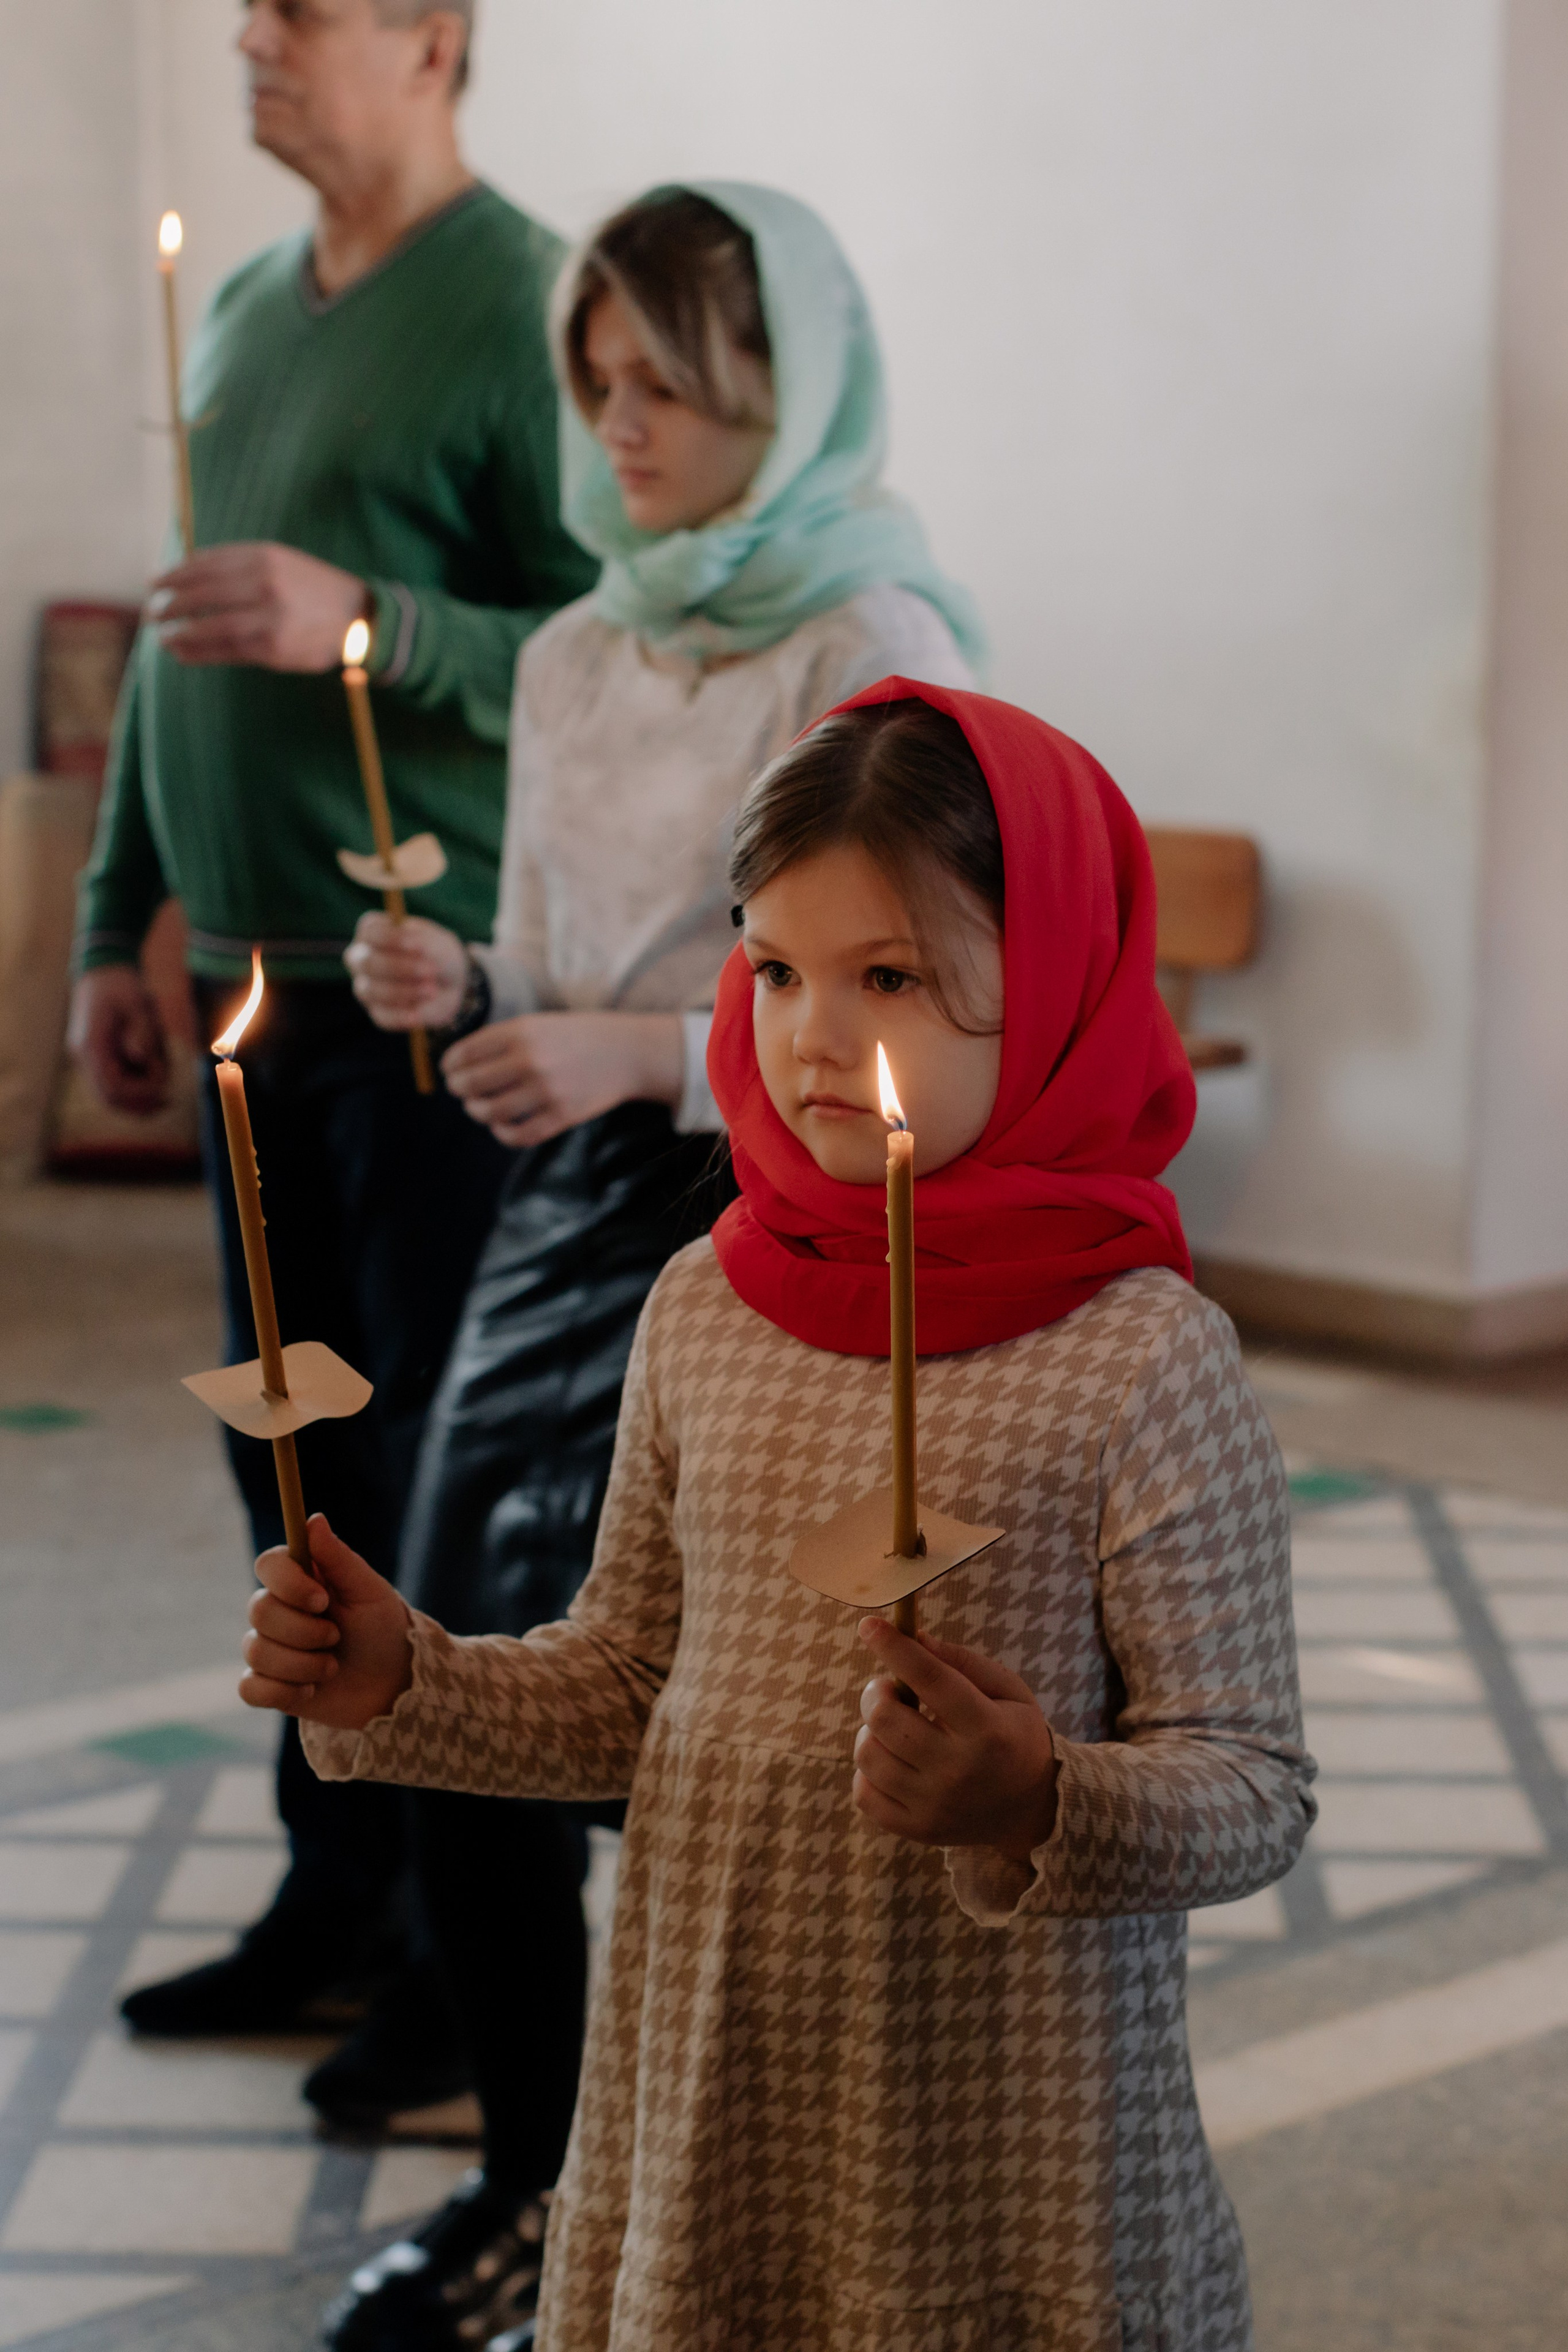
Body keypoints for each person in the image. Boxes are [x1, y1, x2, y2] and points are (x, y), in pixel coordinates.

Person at [239, 680, 1318, 2352]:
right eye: (775, 967)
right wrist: (408, 1683)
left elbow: (1250, 1785)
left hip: (998, 2146)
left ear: (1060, 993)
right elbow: (629, 1689)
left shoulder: (1139, 1358)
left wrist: (1040, 1793)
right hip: (713, 2103)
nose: (812, 1033)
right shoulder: (706, 1304)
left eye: (888, 976)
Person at [325, 185, 983, 2349]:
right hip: (573, 1208)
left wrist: (643, 1042)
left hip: (792, 1215)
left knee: (753, 1747)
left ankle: (754, 2191)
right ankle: (537, 2176)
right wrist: (470, 970)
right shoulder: (581, 643)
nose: (615, 426)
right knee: (453, 1689)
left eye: (663, 386)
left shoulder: (868, 635)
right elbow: (561, 939)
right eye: (593, 380)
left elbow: (904, 1001)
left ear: (780, 389)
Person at [67, 0, 597, 2077]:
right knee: (285, 1461)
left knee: (424, 1493)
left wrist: (369, 622)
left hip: (421, 1005)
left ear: (436, 40)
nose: (249, 34)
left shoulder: (530, 305)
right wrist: (121, 916)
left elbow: (599, 642)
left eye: (302, 8)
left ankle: (481, 1975)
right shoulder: (260, 307)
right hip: (249, 995)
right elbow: (186, 634)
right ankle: (340, 1896)